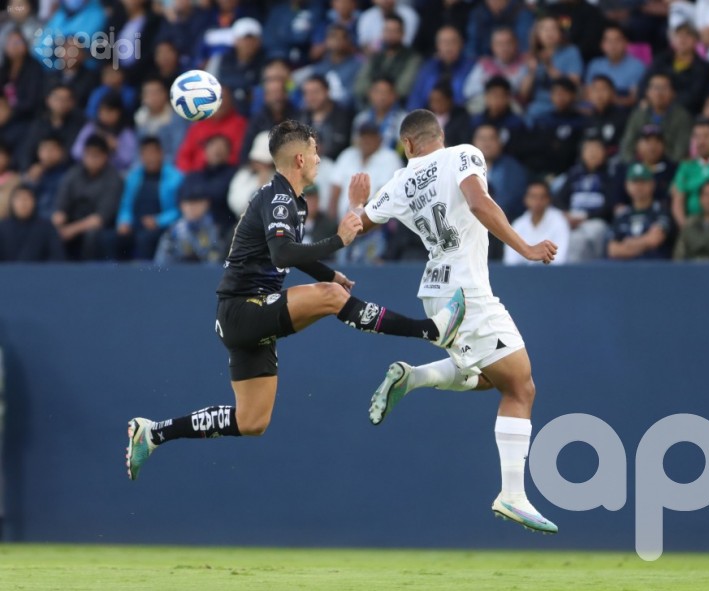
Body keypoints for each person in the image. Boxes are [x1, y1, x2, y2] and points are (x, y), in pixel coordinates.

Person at [126, 120, 466, 481]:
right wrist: (338, 241)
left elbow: (288, 251)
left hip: (242, 317)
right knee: (332, 299)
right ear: (300, 159)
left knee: (252, 421)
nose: (319, 158)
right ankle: (430, 331)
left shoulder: (291, 200)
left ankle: (153, 433)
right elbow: (283, 254)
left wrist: (328, 273)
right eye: (315, 152)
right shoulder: (279, 198)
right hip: (244, 309)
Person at [349, 109, 559, 534]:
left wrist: (357, 202)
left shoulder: (400, 181)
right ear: (439, 135)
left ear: (408, 145)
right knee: (520, 386)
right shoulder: (463, 154)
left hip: (434, 292)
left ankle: (414, 377)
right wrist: (525, 248)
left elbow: (355, 227)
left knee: (486, 376)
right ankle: (512, 495)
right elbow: (479, 203)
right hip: (467, 294)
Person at [52, 134, 123, 260]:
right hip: (72, 221)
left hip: (99, 227)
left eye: (96, 155)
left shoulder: (113, 179)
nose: (91, 159)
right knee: (49, 230)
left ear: (105, 156)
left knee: (92, 235)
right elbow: (61, 207)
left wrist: (71, 230)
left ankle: (88, 270)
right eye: (88, 154)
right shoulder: (73, 173)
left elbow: (99, 219)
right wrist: (57, 222)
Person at [115, 137, 183, 260]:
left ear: (161, 154)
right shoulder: (133, 177)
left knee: (144, 239)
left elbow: (179, 210)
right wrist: (124, 221)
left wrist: (158, 221)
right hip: (135, 224)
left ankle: (144, 272)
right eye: (145, 154)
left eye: (153, 153)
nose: (150, 158)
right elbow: (126, 205)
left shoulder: (176, 178)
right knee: (115, 238)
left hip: (163, 226)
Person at [555, 135, 619, 261]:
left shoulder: (610, 176)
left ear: (604, 152)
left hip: (597, 221)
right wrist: (566, 215)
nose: (592, 153)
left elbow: (611, 206)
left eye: (596, 149)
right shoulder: (574, 175)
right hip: (572, 220)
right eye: (589, 149)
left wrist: (585, 217)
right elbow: (558, 200)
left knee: (580, 238)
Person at [620, 72, 693, 163]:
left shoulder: (682, 117)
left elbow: (681, 150)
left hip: (669, 166)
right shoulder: (638, 115)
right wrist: (633, 165)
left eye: (664, 88)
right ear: (647, 92)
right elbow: (627, 145)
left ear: (673, 93)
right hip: (640, 165)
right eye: (655, 88)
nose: (659, 93)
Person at [353, 13, 422, 105]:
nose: (390, 35)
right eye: (387, 30)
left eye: (394, 31)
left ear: (402, 33)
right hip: (371, 105)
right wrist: (375, 95)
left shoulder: (412, 58)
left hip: (398, 106)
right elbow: (361, 83)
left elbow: (404, 88)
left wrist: (384, 96)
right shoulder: (376, 56)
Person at [607, 163, 671, 260]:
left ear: (652, 184)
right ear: (627, 185)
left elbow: (655, 239)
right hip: (624, 267)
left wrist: (629, 243)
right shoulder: (622, 215)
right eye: (634, 182)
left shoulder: (661, 211)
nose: (639, 186)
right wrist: (643, 244)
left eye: (643, 182)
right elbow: (613, 249)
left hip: (654, 265)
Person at [504, 181, 570, 265]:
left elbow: (559, 260)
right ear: (525, 199)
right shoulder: (518, 224)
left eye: (542, 197)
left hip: (551, 272)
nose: (537, 201)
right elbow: (510, 261)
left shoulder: (559, 221)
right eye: (533, 197)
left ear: (548, 199)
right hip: (522, 272)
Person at [154, 190, 224, 267]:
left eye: (196, 203)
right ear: (181, 206)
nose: (192, 208)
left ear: (206, 204)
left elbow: (218, 258)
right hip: (179, 271)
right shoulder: (173, 231)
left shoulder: (214, 229)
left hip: (207, 272)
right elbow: (162, 262)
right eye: (188, 204)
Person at [584, 25, 646, 108]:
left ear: (625, 43)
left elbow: (634, 99)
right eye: (608, 41)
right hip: (595, 109)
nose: (613, 45)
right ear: (602, 45)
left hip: (623, 109)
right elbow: (587, 94)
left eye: (617, 40)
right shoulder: (595, 65)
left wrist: (608, 100)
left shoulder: (637, 66)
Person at [0, 184, 64, 262]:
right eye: (19, 199)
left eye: (27, 199)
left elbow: (57, 257)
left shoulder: (47, 227)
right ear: (11, 203)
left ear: (34, 202)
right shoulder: (2, 228)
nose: (23, 203)